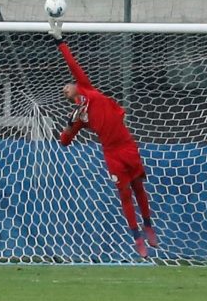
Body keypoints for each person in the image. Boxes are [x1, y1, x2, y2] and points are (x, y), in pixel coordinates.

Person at [48, 19, 158, 258]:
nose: (64, 90)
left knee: (139, 185)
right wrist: (68, 126)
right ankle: (137, 237)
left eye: (65, 87)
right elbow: (64, 142)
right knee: (124, 192)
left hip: (126, 145)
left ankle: (148, 225)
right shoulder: (79, 116)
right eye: (63, 92)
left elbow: (72, 64)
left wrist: (60, 41)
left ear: (75, 86)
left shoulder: (87, 89)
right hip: (111, 152)